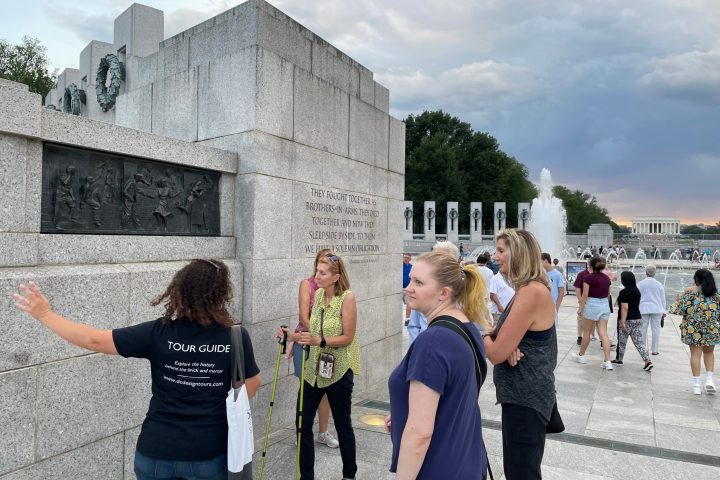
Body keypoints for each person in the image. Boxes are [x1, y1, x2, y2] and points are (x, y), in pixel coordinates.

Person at [13, 259, 260, 480]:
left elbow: (94, 340)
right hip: (208, 453)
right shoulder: (235, 337)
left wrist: (45, 314)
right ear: (221, 294)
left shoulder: (158, 332)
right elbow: (251, 385)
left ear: (180, 291)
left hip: (156, 452)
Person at [387, 251, 491, 478]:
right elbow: (454, 394)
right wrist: (403, 411)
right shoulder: (467, 326)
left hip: (437, 467)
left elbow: (419, 433)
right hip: (466, 463)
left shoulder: (433, 341)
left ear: (444, 293)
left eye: (419, 282)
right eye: (410, 279)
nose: (409, 287)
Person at [278, 252, 360, 480]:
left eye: (322, 273)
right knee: (302, 425)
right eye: (317, 270)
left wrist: (320, 341)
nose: (317, 276)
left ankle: (349, 474)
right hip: (312, 369)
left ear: (336, 276)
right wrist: (291, 336)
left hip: (338, 371)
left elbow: (348, 337)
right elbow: (312, 333)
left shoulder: (347, 298)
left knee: (343, 425)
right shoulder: (320, 294)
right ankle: (306, 476)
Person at [483, 229, 557, 480]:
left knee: (521, 473)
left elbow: (494, 354)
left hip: (526, 400)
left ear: (519, 254)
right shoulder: (529, 289)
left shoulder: (531, 292)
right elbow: (504, 343)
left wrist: (482, 331)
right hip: (524, 398)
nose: (496, 256)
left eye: (501, 251)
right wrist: (503, 338)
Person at [293, 249, 339, 448]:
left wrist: (327, 339)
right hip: (307, 342)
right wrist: (320, 335)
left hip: (325, 344)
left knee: (326, 390)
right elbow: (304, 317)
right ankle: (301, 434)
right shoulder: (307, 284)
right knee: (307, 390)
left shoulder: (337, 290)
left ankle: (323, 432)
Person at [670, 269, 720, 395]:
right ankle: (709, 380)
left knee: (695, 354)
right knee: (709, 353)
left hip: (694, 329)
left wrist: (679, 298)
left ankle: (696, 385)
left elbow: (677, 310)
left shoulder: (691, 294)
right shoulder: (717, 295)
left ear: (697, 280)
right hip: (711, 328)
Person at [406, 241, 462, 342]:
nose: (409, 289)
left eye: (443, 261)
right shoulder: (422, 293)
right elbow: (414, 326)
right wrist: (417, 348)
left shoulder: (470, 292)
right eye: (433, 259)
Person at [573, 256, 614, 370]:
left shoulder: (588, 278)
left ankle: (581, 355)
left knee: (586, 331)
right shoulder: (607, 278)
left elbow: (585, 295)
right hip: (604, 305)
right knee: (604, 333)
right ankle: (607, 361)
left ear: (590, 265)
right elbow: (608, 294)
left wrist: (580, 308)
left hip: (592, 304)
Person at [612, 271, 653, 371]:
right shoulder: (637, 291)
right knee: (638, 342)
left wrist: (622, 321)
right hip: (637, 318)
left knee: (622, 341)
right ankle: (647, 360)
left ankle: (619, 359)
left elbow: (624, 308)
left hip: (627, 319)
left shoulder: (624, 292)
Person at [637, 264, 667, 355]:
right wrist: (664, 310)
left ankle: (642, 348)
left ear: (646, 272)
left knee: (642, 329)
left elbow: (637, 297)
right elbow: (663, 299)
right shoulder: (659, 284)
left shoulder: (640, 284)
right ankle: (655, 350)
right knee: (656, 329)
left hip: (643, 308)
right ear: (655, 273)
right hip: (657, 308)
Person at [573, 260, 591, 346]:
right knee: (580, 319)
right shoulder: (582, 274)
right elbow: (577, 287)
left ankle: (593, 336)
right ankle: (580, 337)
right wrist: (580, 301)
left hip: (595, 302)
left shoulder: (598, 274)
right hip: (584, 301)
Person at [402, 253, 413, 322]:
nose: (406, 259)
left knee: (409, 304)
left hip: (407, 289)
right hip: (397, 289)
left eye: (408, 258)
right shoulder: (399, 265)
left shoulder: (411, 267)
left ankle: (407, 319)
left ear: (410, 259)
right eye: (405, 257)